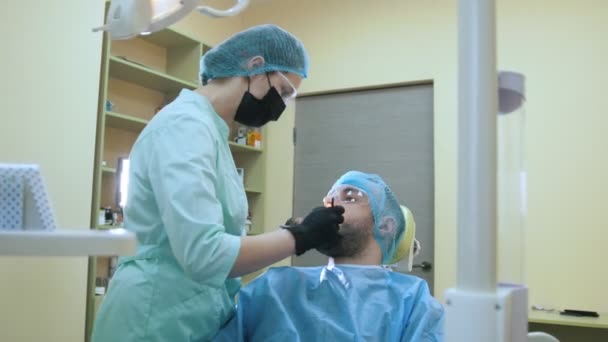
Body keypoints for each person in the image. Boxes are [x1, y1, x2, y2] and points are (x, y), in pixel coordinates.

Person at [91, 25, 345, 342]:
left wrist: (292, 232)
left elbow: (216, 238)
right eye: (281, 92)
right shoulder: (185, 126)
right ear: (255, 67)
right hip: (153, 319)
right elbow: (205, 254)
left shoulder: (211, 132)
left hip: (189, 316)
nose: (279, 108)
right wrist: (299, 236)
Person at [213, 171, 445, 342]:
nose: (331, 205)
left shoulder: (411, 300)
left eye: (350, 197)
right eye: (328, 199)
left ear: (385, 225)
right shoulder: (275, 285)